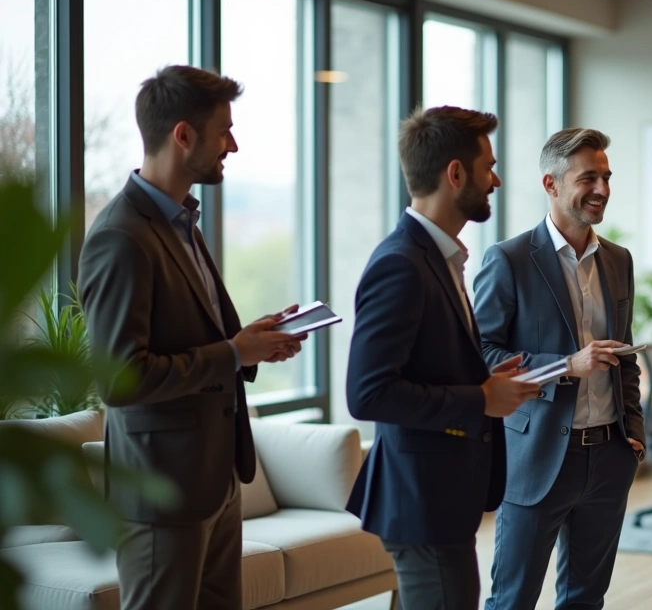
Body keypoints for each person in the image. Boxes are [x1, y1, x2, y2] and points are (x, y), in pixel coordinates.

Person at [77, 65, 304, 609]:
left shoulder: (181, 224)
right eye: (223, 130)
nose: (233, 144)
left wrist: (251, 343)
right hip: (163, 495)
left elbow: (194, 335)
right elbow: (121, 379)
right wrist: (233, 351)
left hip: (215, 481)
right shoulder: (120, 237)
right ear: (183, 136)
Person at [344, 105, 540, 610]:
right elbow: (368, 394)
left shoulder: (438, 257)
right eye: (487, 167)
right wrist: (479, 398)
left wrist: (483, 377)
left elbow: (424, 365)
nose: (495, 180)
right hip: (421, 500)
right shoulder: (400, 264)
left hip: (439, 499)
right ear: (456, 174)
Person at [473, 128, 645, 610]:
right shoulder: (507, 259)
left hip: (609, 454)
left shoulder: (618, 260)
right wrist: (565, 366)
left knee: (586, 599)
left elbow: (624, 356)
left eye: (607, 177)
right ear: (551, 184)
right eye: (588, 177)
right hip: (537, 455)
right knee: (513, 599)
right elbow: (481, 354)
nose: (602, 189)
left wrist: (633, 431)